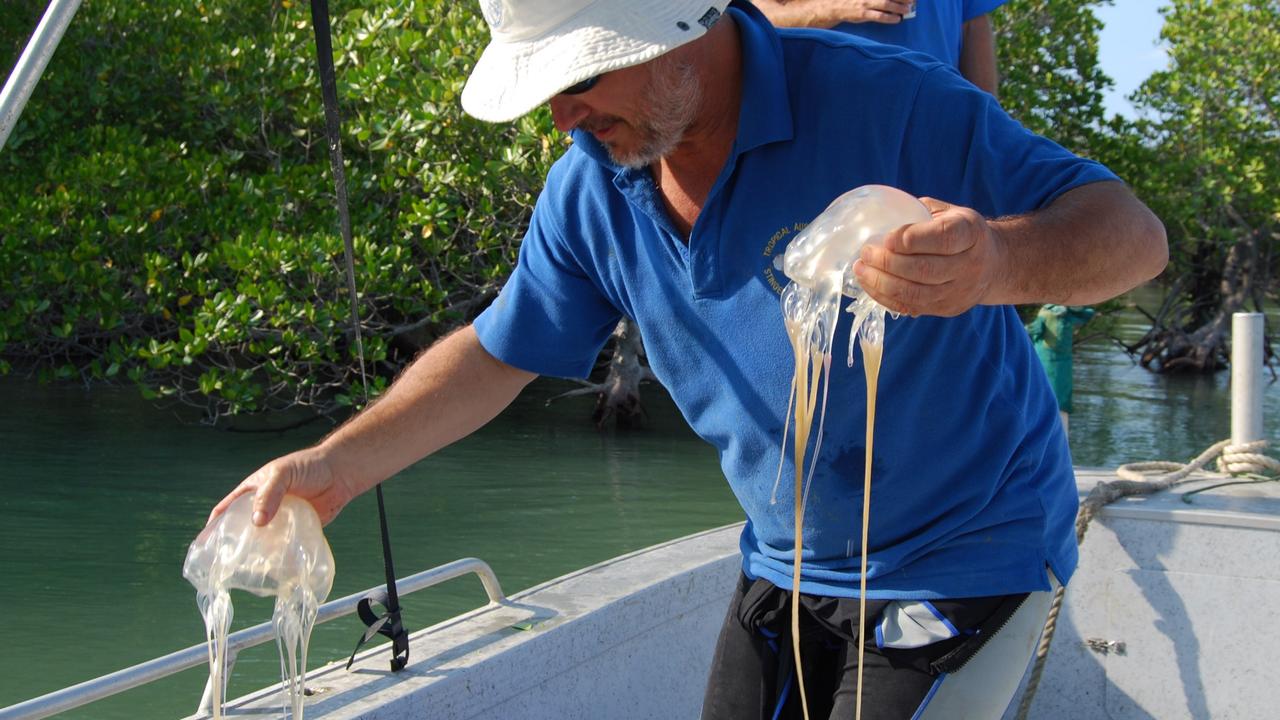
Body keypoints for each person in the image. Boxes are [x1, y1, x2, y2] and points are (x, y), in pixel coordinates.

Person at [208, 0, 1167, 717]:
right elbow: (498, 352)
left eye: (579, 80)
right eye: (547, 90)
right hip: (788, 560)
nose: (562, 118)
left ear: (675, 27)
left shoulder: (891, 102)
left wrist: (997, 259)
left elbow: (1131, 235)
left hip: (970, 554)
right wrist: (334, 468)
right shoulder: (593, 185)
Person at [751, 0, 1003, 95]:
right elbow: (744, 17)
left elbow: (972, 25)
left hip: (932, 130)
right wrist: (834, 7)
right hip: (822, 128)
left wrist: (986, 130)